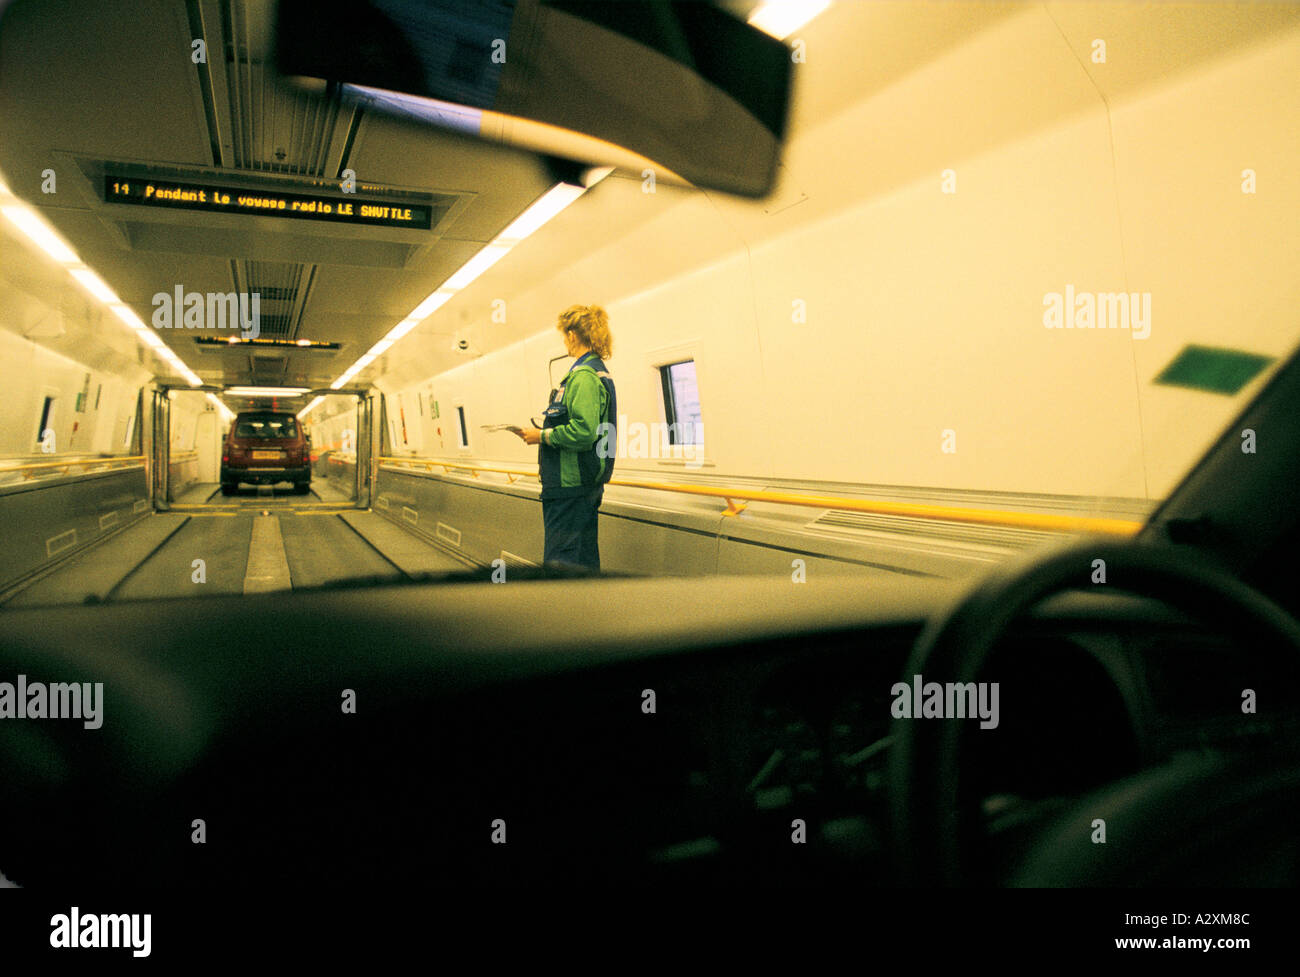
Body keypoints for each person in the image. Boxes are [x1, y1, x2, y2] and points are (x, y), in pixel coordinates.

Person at [518, 305, 617, 570]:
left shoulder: (583, 376)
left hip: (569, 488)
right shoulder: (594, 371)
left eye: (564, 336)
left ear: (573, 335)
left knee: (561, 564)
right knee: (582, 562)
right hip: (580, 486)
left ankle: (564, 610)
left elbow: (584, 432)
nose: (565, 342)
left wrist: (542, 436)